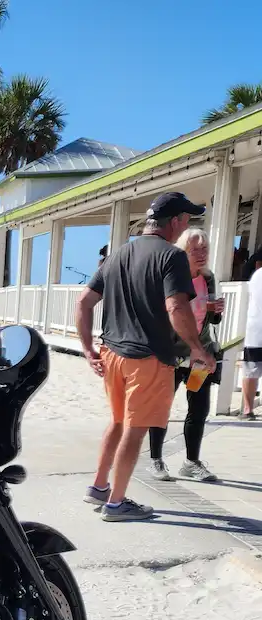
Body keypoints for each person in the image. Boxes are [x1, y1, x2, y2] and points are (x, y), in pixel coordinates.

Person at [75, 192, 216, 522]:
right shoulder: (172, 257)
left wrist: (87, 349)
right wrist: (197, 348)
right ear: (177, 222)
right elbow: (176, 307)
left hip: (112, 353)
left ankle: (98, 487)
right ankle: (116, 503)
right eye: (188, 219)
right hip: (149, 357)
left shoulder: (118, 253)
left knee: (119, 421)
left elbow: (83, 302)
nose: (188, 225)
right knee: (135, 429)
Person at [146, 229, 224, 482]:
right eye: (195, 250)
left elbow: (210, 320)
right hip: (171, 354)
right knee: (161, 408)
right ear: (182, 252)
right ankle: (156, 460)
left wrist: (216, 311)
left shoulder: (208, 278)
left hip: (200, 354)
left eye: (205, 249)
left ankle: (191, 462)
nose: (201, 255)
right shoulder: (172, 277)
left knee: (199, 407)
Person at [242, 262, 262, 419]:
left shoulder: (256, 275)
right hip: (256, 330)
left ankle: (247, 409)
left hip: (254, 331)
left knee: (250, 372)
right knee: (250, 372)